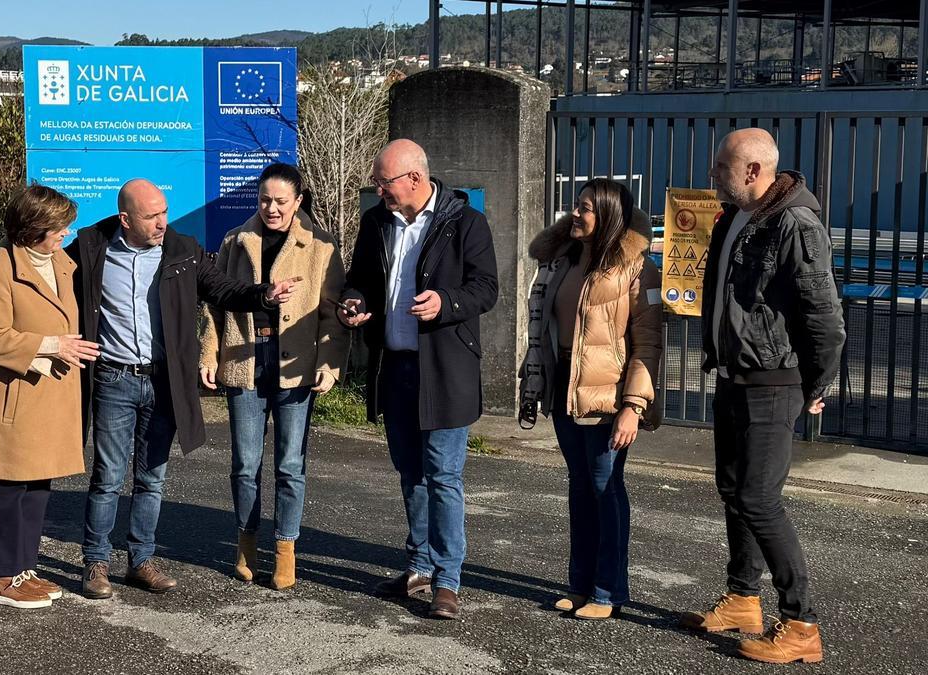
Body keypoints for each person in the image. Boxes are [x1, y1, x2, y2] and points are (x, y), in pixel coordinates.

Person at [66, 179, 301, 599]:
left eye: (164, 212)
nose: (162, 222)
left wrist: (263, 294)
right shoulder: (90, 246)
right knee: (107, 477)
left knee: (152, 478)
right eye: (151, 216)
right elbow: (52, 286)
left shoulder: (182, 250)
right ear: (125, 219)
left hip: (163, 380)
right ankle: (95, 563)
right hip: (113, 378)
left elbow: (223, 289)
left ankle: (140, 561)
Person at [681, 128, 844, 664]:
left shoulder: (794, 223)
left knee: (758, 497)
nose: (712, 177)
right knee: (732, 487)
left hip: (775, 381)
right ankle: (743, 599)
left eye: (721, 168)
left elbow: (823, 315)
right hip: (735, 375)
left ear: (753, 171)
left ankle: (800, 623)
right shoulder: (735, 216)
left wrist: (816, 383)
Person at [338, 139, 498, 620]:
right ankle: (420, 566)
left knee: (444, 476)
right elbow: (360, 277)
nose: (378, 190)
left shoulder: (465, 223)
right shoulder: (376, 223)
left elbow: (485, 288)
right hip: (396, 366)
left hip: (446, 370)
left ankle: (447, 581)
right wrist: (354, 302)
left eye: (383, 182)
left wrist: (445, 303)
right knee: (410, 473)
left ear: (413, 178)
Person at [198, 163, 349, 590]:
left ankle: (285, 548)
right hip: (245, 362)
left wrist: (329, 363)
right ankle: (246, 542)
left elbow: (332, 315)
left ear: (298, 201)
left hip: (295, 367)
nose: (272, 208)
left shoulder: (321, 245)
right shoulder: (235, 240)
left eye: (282, 201)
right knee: (245, 464)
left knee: (290, 464)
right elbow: (214, 303)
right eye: (265, 199)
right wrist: (208, 352)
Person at [517, 178, 663, 620]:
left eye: (585, 208)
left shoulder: (638, 268)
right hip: (564, 386)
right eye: (576, 205)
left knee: (605, 487)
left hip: (609, 394)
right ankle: (579, 585)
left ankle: (607, 590)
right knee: (580, 488)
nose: (575, 214)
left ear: (608, 215)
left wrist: (633, 407)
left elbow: (649, 342)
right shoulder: (563, 257)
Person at [0, 184, 100, 608]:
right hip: (11, 395)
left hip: (48, 395)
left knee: (38, 482)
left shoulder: (58, 260)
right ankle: (1, 580)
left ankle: (23, 568)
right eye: (59, 226)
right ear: (34, 227)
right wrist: (54, 346)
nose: (66, 232)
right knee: (9, 485)